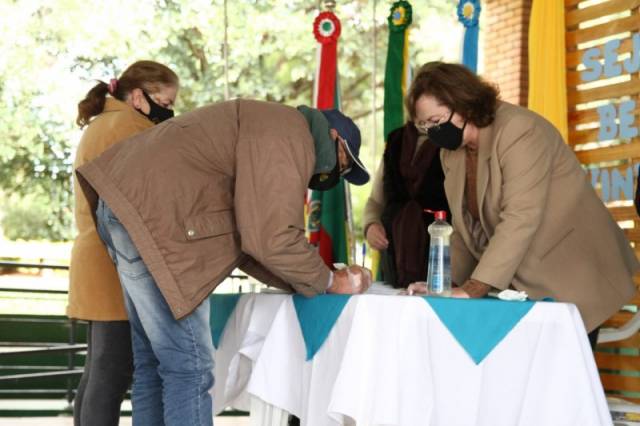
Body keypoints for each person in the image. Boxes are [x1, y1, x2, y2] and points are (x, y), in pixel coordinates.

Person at [75, 100, 372, 425]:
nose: (337, 176)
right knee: (189, 368)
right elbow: (271, 238)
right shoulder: (290, 134)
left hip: (125, 205)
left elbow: (253, 243)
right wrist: (330, 281)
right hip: (159, 220)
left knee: (154, 363)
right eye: (344, 164)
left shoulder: (270, 122)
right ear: (334, 137)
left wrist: (308, 279)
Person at [405, 61, 639, 348]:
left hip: (572, 272)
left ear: (464, 104)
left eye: (437, 121)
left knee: (563, 387)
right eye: (424, 125)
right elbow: (466, 228)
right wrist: (441, 286)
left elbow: (520, 217)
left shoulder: (518, 130)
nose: (432, 132)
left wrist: (473, 288)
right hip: (525, 281)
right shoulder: (452, 153)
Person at [67, 61, 179, 426]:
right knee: (112, 372)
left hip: (95, 258)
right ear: (137, 97)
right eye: (164, 100)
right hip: (113, 262)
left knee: (98, 370)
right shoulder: (130, 126)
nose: (170, 109)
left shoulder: (104, 123)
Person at [363, 122, 450, 288]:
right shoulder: (396, 140)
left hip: (442, 258)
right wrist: (371, 225)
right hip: (394, 255)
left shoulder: (452, 139)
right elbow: (376, 201)